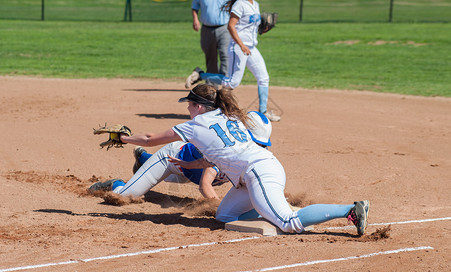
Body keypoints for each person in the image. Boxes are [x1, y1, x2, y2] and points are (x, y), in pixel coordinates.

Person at [90, 84, 370, 236]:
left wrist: (124, 139)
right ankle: (270, 208)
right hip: (253, 172)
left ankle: (350, 209)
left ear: (199, 106)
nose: (188, 108)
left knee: (289, 223)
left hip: (256, 172)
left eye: (189, 104)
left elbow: (151, 137)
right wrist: (192, 165)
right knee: (225, 216)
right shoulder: (229, 116)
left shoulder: (196, 124)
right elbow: (219, 156)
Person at [89, 111, 272, 202]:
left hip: (190, 170)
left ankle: (142, 159)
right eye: (258, 144)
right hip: (174, 159)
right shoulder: (226, 151)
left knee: (169, 177)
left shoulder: (254, 156)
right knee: (125, 197)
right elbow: (205, 185)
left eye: (262, 145)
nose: (259, 148)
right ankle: (115, 184)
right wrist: (216, 207)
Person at [185, 0, 281, 122]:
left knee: (263, 78)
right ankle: (200, 75)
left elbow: (249, 26)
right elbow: (231, 26)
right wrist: (241, 44)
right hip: (238, 47)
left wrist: (263, 28)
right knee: (232, 82)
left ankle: (263, 112)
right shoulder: (239, 4)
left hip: (251, 47)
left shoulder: (255, 4)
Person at [191, 0, 231, 76]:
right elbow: (195, 6)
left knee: (226, 54)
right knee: (210, 56)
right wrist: (195, 19)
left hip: (224, 28)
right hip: (207, 29)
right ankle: (212, 84)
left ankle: (225, 83)